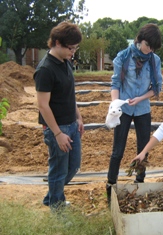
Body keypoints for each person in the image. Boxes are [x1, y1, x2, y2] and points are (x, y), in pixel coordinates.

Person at [106, 23, 162, 204]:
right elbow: (115, 84)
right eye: (147, 45)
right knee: (118, 149)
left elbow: (156, 88)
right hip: (124, 109)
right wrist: (115, 104)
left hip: (143, 109)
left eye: (153, 48)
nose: (149, 50)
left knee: (143, 149)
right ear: (139, 40)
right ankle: (111, 185)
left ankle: (139, 182)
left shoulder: (154, 60)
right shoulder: (123, 57)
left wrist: (141, 98)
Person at [33, 21, 84, 211]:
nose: (73, 52)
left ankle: (52, 197)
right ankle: (57, 207)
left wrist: (78, 117)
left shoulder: (66, 62)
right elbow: (43, 106)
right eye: (70, 48)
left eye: (75, 48)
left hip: (71, 124)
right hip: (57, 129)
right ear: (56, 43)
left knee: (73, 167)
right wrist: (57, 133)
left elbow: (70, 94)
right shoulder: (45, 70)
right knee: (59, 169)